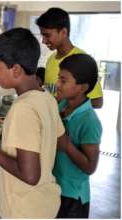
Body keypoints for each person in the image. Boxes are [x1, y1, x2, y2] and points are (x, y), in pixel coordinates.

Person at [0, 28, 65, 218]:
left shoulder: (22, 108)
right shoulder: (46, 97)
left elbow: (30, 176)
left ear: (16, 69)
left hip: (23, 209)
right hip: (44, 203)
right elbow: (57, 138)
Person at [54, 54, 102, 218]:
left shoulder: (89, 121)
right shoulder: (63, 105)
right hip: (55, 186)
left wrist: (66, 145)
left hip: (72, 196)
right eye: (58, 78)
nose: (57, 84)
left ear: (82, 87)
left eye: (63, 81)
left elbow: (90, 166)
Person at [36, 7, 103, 108]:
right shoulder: (51, 59)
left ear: (63, 32)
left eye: (47, 35)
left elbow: (98, 102)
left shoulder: (81, 61)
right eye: (42, 36)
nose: (43, 41)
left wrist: (64, 104)